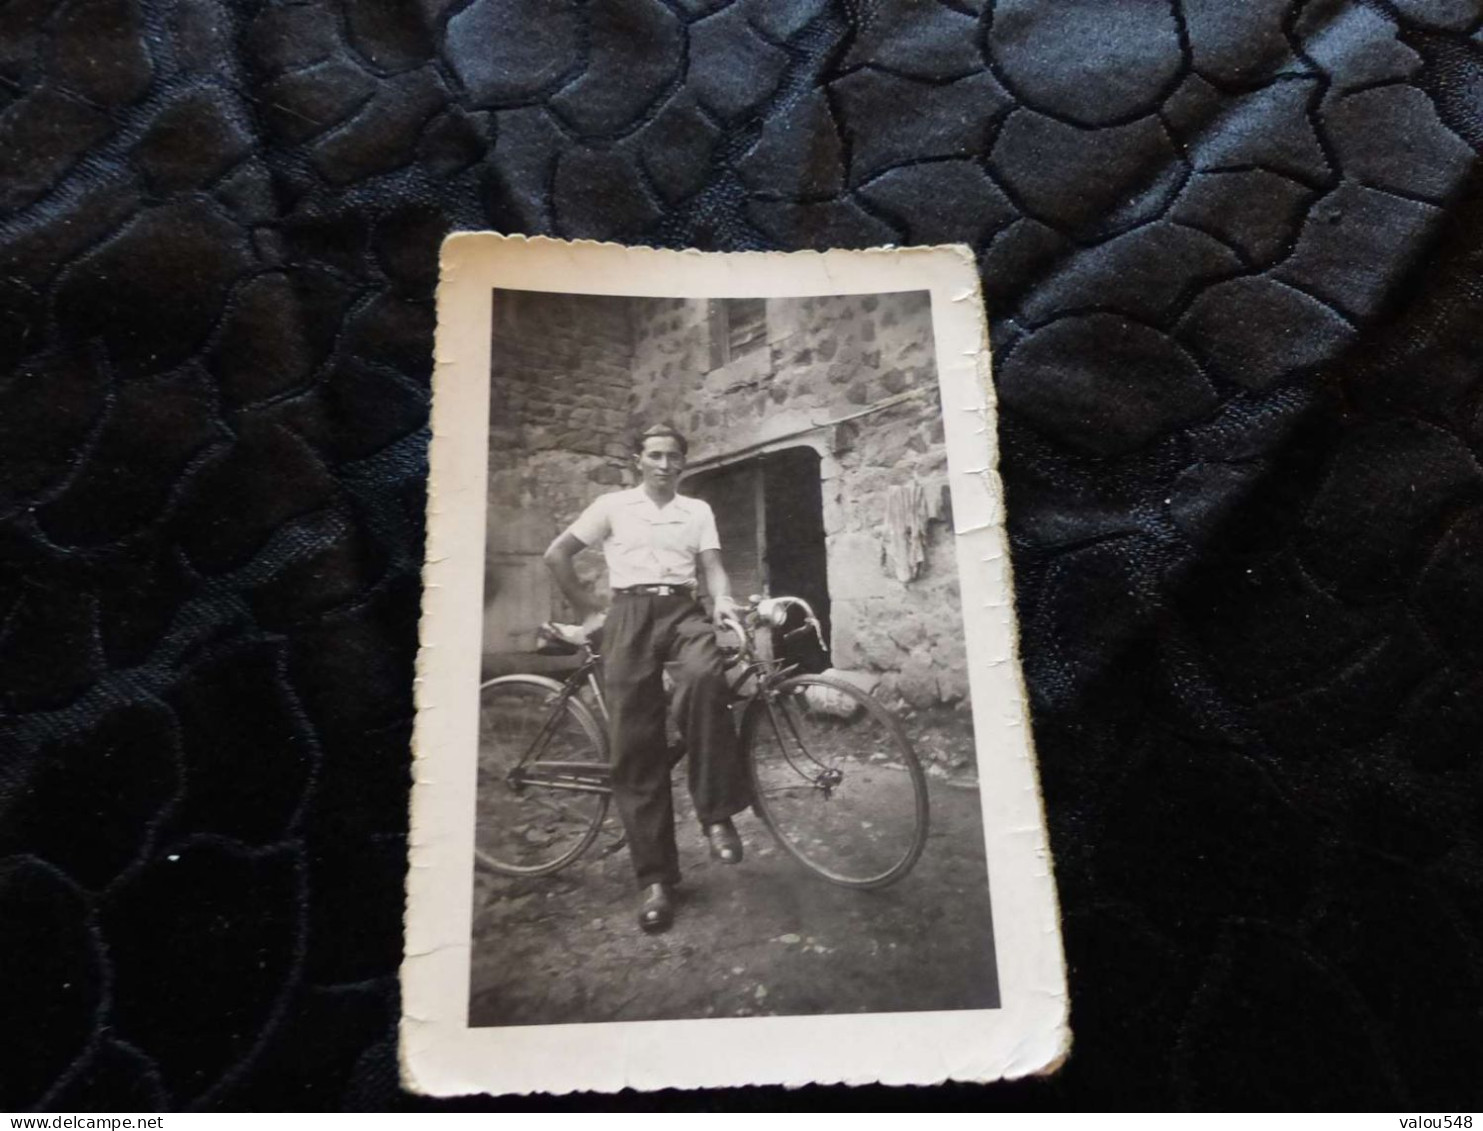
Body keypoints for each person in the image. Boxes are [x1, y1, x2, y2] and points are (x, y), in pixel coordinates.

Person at [543, 423, 751, 933]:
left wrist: (722, 600)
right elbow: (557, 555)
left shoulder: (696, 511)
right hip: (629, 618)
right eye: (654, 455)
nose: (664, 464)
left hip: (683, 612)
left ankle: (714, 811)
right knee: (636, 745)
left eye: (673, 456)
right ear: (638, 460)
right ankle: (655, 880)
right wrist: (591, 611)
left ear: (683, 463)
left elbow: (713, 566)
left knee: (705, 678)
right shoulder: (613, 506)